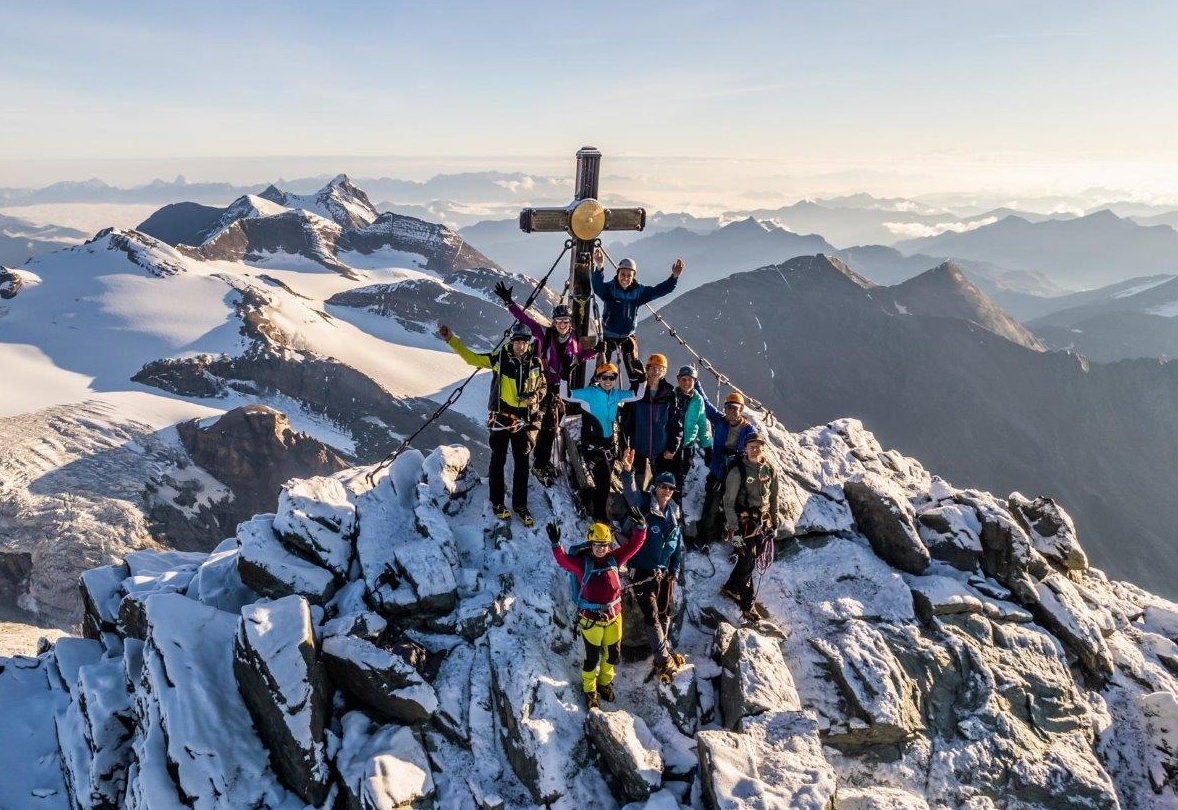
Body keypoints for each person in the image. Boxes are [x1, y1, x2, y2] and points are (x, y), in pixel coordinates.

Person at [438, 321, 545, 526]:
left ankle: (520, 505)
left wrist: (536, 397)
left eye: (523, 342)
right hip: (502, 417)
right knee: (498, 461)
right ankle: (497, 502)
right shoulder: (500, 358)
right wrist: (451, 340)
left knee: (522, 465)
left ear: (528, 343)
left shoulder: (536, 363)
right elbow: (472, 358)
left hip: (523, 419)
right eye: (516, 342)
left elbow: (543, 387)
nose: (519, 346)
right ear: (511, 341)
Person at [493, 281, 597, 484]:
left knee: (553, 425)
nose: (562, 324)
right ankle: (539, 464)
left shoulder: (573, 340)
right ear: (554, 322)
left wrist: (595, 351)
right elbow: (526, 319)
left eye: (566, 321)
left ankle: (542, 460)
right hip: (543, 386)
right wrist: (509, 302)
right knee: (548, 425)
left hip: (560, 388)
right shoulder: (544, 334)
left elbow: (580, 356)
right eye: (559, 321)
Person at [548, 518, 648, 709]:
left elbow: (634, 546)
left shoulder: (614, 559)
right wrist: (556, 544)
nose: (601, 548)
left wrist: (641, 528)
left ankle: (604, 683)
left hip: (613, 617)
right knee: (592, 658)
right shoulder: (582, 564)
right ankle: (590, 690)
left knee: (613, 656)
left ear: (609, 544)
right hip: (591, 620)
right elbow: (562, 560)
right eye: (597, 545)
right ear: (590, 544)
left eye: (604, 545)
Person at [621, 453, 686, 682]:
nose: (667, 491)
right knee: (651, 615)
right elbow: (630, 494)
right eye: (663, 487)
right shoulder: (645, 506)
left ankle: (663, 651)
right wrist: (628, 471)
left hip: (664, 573)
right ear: (655, 488)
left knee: (664, 612)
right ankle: (662, 658)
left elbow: (678, 545)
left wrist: (674, 571)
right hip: (642, 570)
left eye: (670, 488)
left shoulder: (674, 514)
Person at [561, 364, 644, 521]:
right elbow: (565, 395)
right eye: (604, 377)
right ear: (598, 379)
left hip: (609, 447)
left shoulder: (616, 394)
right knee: (604, 485)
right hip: (593, 449)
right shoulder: (589, 393)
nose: (608, 381)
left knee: (603, 485)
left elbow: (637, 395)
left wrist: (642, 379)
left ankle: (589, 500)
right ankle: (601, 519)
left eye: (611, 377)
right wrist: (565, 377)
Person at [591, 246, 684, 387]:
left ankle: (637, 394)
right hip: (608, 335)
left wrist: (674, 276)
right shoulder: (610, 289)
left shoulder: (639, 292)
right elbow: (597, 286)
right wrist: (599, 266)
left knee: (634, 369)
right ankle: (597, 391)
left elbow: (660, 290)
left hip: (628, 336)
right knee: (602, 368)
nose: (625, 278)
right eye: (623, 274)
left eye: (629, 275)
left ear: (633, 276)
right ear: (618, 274)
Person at [719, 432, 779, 621]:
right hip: (742, 523)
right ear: (745, 448)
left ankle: (730, 588)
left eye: (758, 445)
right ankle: (747, 605)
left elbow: (773, 497)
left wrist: (774, 522)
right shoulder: (738, 472)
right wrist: (734, 529)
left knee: (750, 559)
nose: (755, 449)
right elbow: (728, 502)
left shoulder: (769, 469)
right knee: (748, 560)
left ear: (763, 447)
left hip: (761, 522)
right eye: (751, 445)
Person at [698, 392, 758, 546]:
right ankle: (706, 539)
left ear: (741, 409)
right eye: (728, 407)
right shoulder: (719, 420)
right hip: (718, 473)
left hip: (737, 477)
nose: (731, 411)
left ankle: (737, 545)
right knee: (711, 507)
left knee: (737, 511)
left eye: (734, 408)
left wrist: (739, 454)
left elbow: (755, 450)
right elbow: (705, 403)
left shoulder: (748, 429)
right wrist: (695, 381)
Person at [622, 354, 684, 492]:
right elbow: (626, 421)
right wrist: (624, 445)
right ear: (647, 369)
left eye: (660, 368)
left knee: (662, 488)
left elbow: (676, 423)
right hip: (637, 449)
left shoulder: (669, 394)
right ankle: (635, 511)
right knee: (636, 487)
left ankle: (659, 511)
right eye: (653, 368)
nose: (656, 371)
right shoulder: (636, 391)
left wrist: (673, 448)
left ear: (664, 371)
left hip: (661, 451)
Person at [670, 365, 712, 502]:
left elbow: (701, 423)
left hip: (687, 447)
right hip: (671, 445)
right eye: (684, 379)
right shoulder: (671, 395)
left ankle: (676, 510)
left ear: (695, 381)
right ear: (678, 380)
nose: (687, 383)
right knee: (667, 479)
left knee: (679, 482)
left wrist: (707, 446)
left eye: (690, 380)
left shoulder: (698, 400)